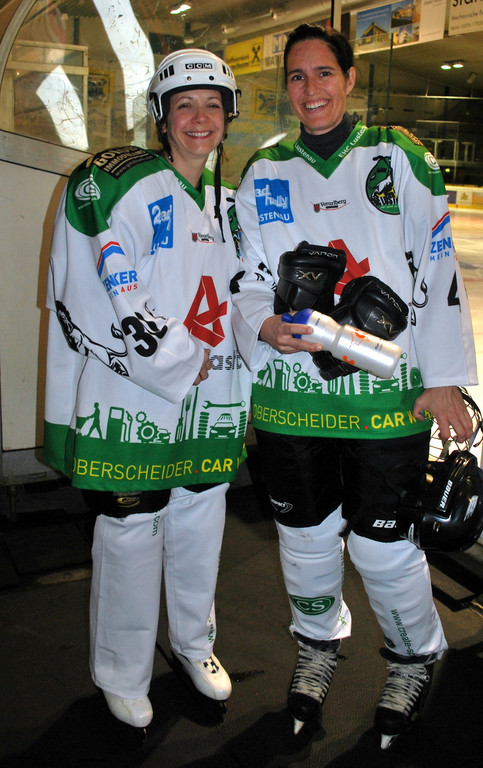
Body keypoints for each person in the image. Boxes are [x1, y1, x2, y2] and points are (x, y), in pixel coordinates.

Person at [231, 23, 478, 748]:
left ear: (349, 79)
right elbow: (245, 274)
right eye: (297, 76)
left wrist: (445, 380)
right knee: (304, 541)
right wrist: (263, 324)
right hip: (292, 398)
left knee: (382, 548)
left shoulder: (399, 157)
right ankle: (317, 646)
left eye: (323, 74)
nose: (310, 89)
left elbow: (439, 264)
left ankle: (413, 656)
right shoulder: (264, 170)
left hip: (385, 397)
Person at [43, 49, 251, 729]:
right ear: (161, 116)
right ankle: (123, 672)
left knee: (201, 516)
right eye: (184, 104)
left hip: (214, 396)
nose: (200, 117)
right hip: (132, 394)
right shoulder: (114, 182)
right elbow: (98, 285)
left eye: (213, 105)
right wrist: (176, 357)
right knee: (132, 529)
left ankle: (194, 644)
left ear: (228, 117)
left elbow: (249, 296)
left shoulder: (234, 205)